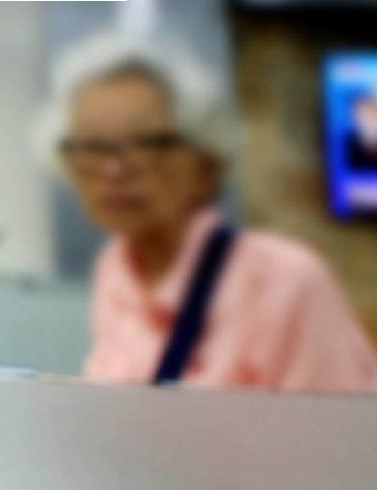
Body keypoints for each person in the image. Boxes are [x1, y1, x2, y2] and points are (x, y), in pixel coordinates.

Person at [39, 34, 375, 393]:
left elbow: (339, 427)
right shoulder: (115, 268)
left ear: (208, 160)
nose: (113, 169)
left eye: (147, 143)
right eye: (91, 146)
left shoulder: (285, 281)